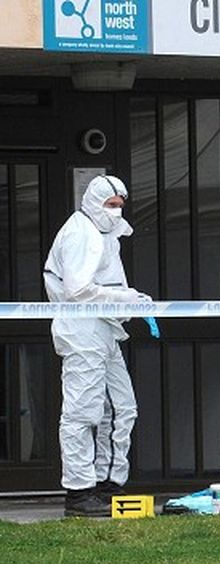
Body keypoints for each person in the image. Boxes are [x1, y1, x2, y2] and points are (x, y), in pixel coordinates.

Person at [43, 175, 152, 517]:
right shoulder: (81, 233)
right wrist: (124, 298)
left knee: (121, 407)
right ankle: (79, 492)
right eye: (111, 205)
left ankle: (108, 483)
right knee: (82, 412)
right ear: (94, 202)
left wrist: (125, 302)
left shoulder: (105, 235)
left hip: (105, 328)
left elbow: (103, 282)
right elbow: (77, 289)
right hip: (83, 330)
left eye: (120, 206)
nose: (116, 212)